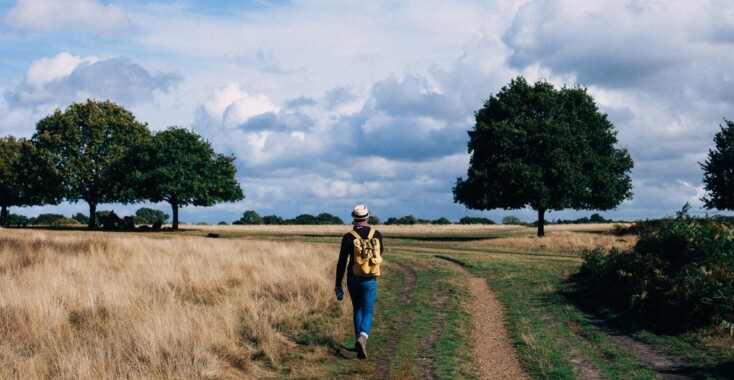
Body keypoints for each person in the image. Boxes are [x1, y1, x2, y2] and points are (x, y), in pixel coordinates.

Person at [334, 204, 383, 359]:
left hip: (353, 277)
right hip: (370, 278)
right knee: (368, 310)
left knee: (357, 309)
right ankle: (363, 337)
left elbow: (342, 262)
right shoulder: (377, 235)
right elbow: (379, 253)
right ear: (367, 217)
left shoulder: (348, 237)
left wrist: (338, 284)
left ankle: (358, 340)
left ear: (354, 219)